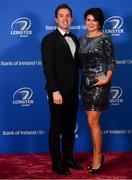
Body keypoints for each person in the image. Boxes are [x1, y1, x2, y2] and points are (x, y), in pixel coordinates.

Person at [41, 3, 83, 175]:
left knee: (70, 127)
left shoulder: (74, 38)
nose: (65, 19)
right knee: (56, 127)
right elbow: (48, 68)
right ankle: (56, 163)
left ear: (71, 19)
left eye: (68, 16)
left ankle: (68, 158)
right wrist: (54, 91)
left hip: (73, 91)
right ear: (56, 19)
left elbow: (78, 64)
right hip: (58, 92)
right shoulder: (49, 40)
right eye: (61, 16)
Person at [79, 8, 116, 174]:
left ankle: (97, 157)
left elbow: (112, 62)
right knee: (90, 121)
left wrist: (106, 79)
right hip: (86, 83)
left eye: (94, 20)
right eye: (88, 20)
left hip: (100, 84)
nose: (91, 23)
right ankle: (97, 155)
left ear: (99, 22)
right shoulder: (81, 39)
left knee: (93, 121)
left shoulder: (105, 38)